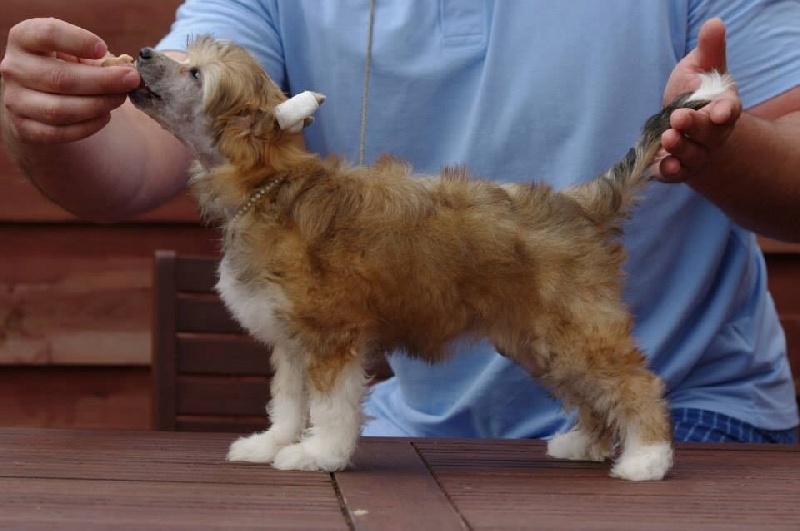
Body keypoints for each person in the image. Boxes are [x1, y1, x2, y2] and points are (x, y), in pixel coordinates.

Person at [1, 1, 798, 443]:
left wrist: (718, 145)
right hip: (408, 427)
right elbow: (136, 151)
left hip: (699, 411)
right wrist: (53, 119)